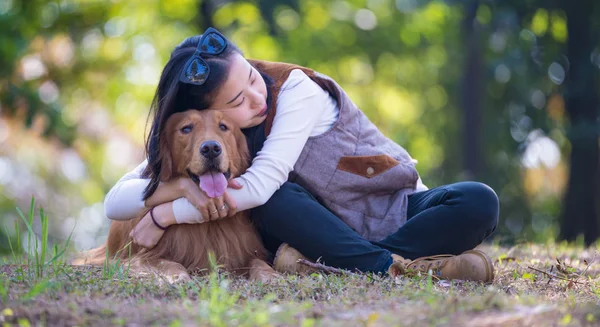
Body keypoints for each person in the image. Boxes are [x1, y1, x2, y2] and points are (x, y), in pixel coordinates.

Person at [104, 27, 499, 281]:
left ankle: (354, 265)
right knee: (278, 202)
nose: (258, 97)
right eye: (238, 100)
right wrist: (176, 189)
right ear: (213, 111)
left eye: (253, 77)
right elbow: (116, 201)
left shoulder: (296, 90)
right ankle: (396, 268)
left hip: (394, 209)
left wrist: (164, 214)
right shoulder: (219, 133)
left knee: (479, 200)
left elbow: (255, 189)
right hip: (319, 227)